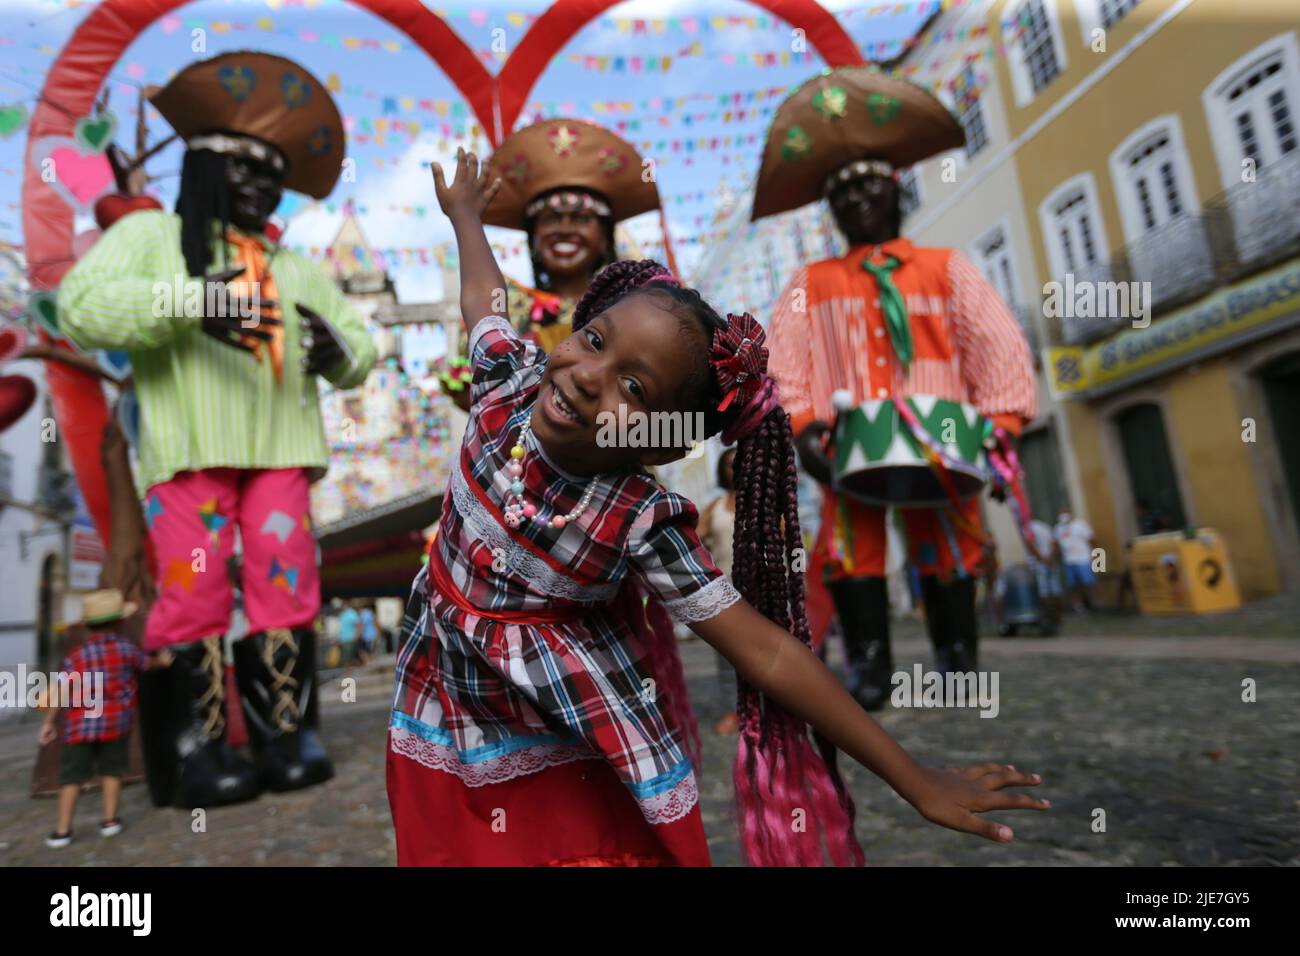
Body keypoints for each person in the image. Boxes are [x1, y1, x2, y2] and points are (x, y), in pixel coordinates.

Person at [384, 148, 1048, 868]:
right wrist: (466, 219)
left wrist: (912, 777)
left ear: (663, 442)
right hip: (444, 694)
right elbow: (485, 304)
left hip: (560, 720)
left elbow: (764, 647)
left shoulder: (641, 517)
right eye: (595, 340)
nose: (586, 377)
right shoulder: (507, 386)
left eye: (633, 390)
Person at [58, 52, 377, 808]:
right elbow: (78, 308)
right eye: (240, 165)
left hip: (281, 455)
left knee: (287, 580)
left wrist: (339, 353)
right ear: (200, 167)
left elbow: (361, 345)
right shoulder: (151, 241)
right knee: (194, 589)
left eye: (272, 170)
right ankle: (191, 749)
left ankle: (286, 735)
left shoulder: (292, 265)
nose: (260, 182)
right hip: (191, 454)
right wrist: (187, 301)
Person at [759, 68, 1037, 710]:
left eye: (870, 187)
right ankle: (873, 666)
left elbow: (996, 343)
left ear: (894, 191)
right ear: (830, 209)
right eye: (842, 194)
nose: (858, 202)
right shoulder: (813, 279)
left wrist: (1004, 425)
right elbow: (784, 362)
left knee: (952, 538)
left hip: (946, 436)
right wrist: (802, 427)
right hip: (852, 439)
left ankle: (958, 659)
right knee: (851, 545)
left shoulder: (947, 268)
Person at [483, 119, 670, 353]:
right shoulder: (507, 309)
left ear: (605, 239)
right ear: (533, 239)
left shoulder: (633, 307)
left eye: (581, 218)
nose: (565, 228)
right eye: (551, 218)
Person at [40, 590, 167, 847]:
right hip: (115, 724)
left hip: (78, 727)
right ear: (121, 622)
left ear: (87, 626)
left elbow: (62, 689)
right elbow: (146, 664)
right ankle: (110, 821)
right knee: (112, 771)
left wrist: (49, 723)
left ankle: (62, 831)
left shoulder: (76, 656)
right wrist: (163, 661)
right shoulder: (126, 649)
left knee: (71, 777)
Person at [697, 447, 739, 735]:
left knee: (772, 653)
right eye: (729, 465)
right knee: (728, 656)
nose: (735, 468)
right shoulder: (716, 506)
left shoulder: (769, 503)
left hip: (767, 591)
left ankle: (773, 710)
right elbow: (693, 539)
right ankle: (735, 711)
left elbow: (791, 544)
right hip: (727, 592)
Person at [1055, 509, 1097, 612]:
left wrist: (1096, 555)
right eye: (1060, 514)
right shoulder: (1058, 528)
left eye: (1064, 513)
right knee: (1073, 585)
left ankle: (1094, 603)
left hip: (1083, 558)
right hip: (1069, 560)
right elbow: (1056, 543)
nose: (1063, 516)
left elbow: (1091, 539)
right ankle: (1078, 606)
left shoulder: (1080, 525)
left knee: (1089, 582)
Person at [1028, 516, 1062, 615]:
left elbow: (1031, 544)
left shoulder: (1029, 528)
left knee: (1043, 590)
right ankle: (1058, 613)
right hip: (1050, 561)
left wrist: (1042, 559)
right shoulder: (1045, 526)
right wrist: (1050, 557)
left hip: (1038, 563)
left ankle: (1046, 613)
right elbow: (1055, 543)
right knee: (1055, 587)